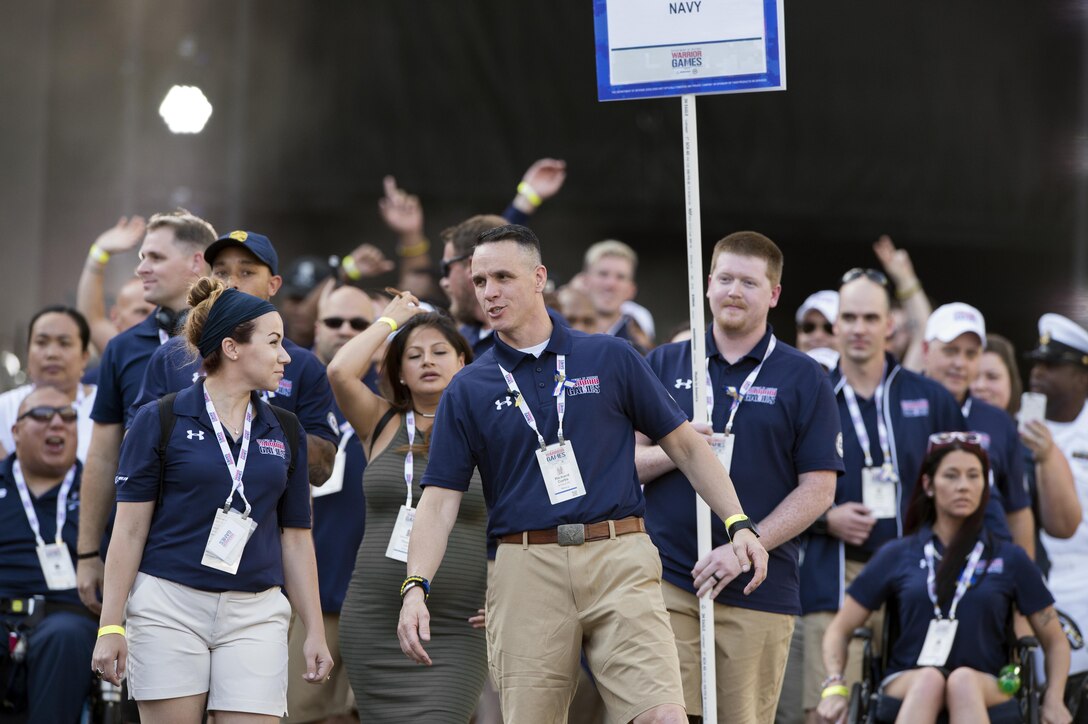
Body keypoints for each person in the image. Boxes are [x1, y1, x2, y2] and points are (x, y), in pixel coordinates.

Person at [396, 224, 768, 724]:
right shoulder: (468, 386)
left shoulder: (609, 356)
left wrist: (738, 522)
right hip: (525, 565)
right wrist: (415, 585)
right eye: (480, 280)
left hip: (620, 554)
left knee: (664, 717)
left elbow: (684, 445)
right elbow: (439, 500)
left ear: (539, 279)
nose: (490, 292)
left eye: (503, 276)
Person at [91, 278, 331, 721]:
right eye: (274, 342)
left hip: (256, 610)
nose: (285, 356)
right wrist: (111, 624)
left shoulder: (288, 428)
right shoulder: (159, 417)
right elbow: (128, 529)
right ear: (232, 348)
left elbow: (296, 537)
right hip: (168, 605)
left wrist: (315, 629)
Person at [636, 231, 843, 723]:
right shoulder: (663, 363)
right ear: (706, 284)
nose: (733, 291)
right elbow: (623, 463)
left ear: (773, 294)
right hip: (667, 578)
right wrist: (681, 449)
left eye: (749, 283)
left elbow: (819, 488)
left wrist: (747, 545)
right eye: (724, 278)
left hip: (757, 587)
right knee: (662, 716)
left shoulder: (804, 376)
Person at [798, 267, 965, 723]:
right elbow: (773, 483)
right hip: (833, 575)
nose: (858, 329)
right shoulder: (810, 394)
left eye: (870, 318)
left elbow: (966, 484)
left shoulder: (930, 397)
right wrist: (824, 516)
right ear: (836, 325)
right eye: (848, 317)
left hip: (915, 575)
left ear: (890, 323)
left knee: (915, 707)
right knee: (826, 711)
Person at [817, 434, 1072, 724]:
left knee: (962, 680)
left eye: (974, 476)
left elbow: (1055, 641)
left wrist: (1053, 699)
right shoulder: (897, 554)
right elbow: (839, 629)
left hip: (991, 682)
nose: (963, 485)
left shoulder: (1010, 557)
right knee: (931, 680)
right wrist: (835, 688)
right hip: (909, 679)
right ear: (928, 484)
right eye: (951, 475)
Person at [328, 296, 487, 722]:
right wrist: (388, 321)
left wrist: (509, 588)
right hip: (374, 617)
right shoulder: (381, 421)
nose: (427, 362)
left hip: (456, 622)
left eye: (439, 352)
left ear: (462, 361)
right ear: (399, 371)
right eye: (414, 355)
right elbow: (340, 371)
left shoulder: (489, 428)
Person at [76, 209, 216, 614]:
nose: (142, 269)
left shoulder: (234, 339)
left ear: (195, 262)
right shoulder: (123, 347)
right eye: (140, 258)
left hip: (222, 551)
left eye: (154, 257)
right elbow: (103, 456)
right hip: (139, 548)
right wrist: (88, 553)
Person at [131, 230, 338, 487]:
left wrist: (261, 428)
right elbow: (137, 453)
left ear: (273, 285)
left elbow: (323, 469)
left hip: (269, 523)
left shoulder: (302, 365)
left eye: (247, 273)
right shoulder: (172, 356)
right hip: (183, 519)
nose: (232, 283)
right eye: (221, 272)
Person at [282, 284, 376, 724]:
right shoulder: (287, 387)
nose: (345, 331)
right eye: (335, 322)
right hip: (306, 591)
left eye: (359, 324)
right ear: (316, 327)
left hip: (379, 596)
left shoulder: (393, 398)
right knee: (303, 715)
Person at [0, 387, 96, 723]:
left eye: (68, 416)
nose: (57, 423)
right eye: (42, 415)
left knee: (64, 637)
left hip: (68, 614)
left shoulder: (98, 489)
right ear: (15, 431)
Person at [921, 303, 1035, 555]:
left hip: (983, 568)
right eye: (950, 351)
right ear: (925, 349)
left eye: (971, 354)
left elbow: (1017, 508)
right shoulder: (895, 403)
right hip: (911, 565)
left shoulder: (998, 420)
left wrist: (1024, 581)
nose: (960, 363)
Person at [969, 334, 1081, 545]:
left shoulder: (1032, 438)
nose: (980, 386)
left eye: (992, 377)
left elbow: (1065, 527)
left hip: (1021, 564)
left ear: (1011, 381)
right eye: (973, 376)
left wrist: (1046, 457)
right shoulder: (945, 433)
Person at [1027, 313, 1088, 692]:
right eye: (1036, 363)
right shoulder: (1019, 424)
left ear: (1082, 376)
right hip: (1032, 579)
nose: (1038, 372)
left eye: (1051, 366)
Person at [0, 306, 96, 462]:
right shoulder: (4, 407)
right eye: (41, 342)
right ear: (28, 351)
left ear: (84, 357)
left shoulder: (105, 406)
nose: (52, 353)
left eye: (64, 343)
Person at [76, 216, 152, 353]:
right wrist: (99, 252)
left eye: (160, 313)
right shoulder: (122, 351)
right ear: (115, 316)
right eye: (142, 311)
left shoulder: (178, 347)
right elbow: (92, 320)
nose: (153, 319)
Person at [871, 235, 931, 372]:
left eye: (903, 330)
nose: (892, 337)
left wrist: (905, 279)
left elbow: (923, 330)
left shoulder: (903, 380)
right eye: (890, 332)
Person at [581, 239, 650, 352]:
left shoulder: (640, 345)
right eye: (603, 274)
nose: (610, 284)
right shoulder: (560, 332)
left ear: (631, 290)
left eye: (620, 277)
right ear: (585, 281)